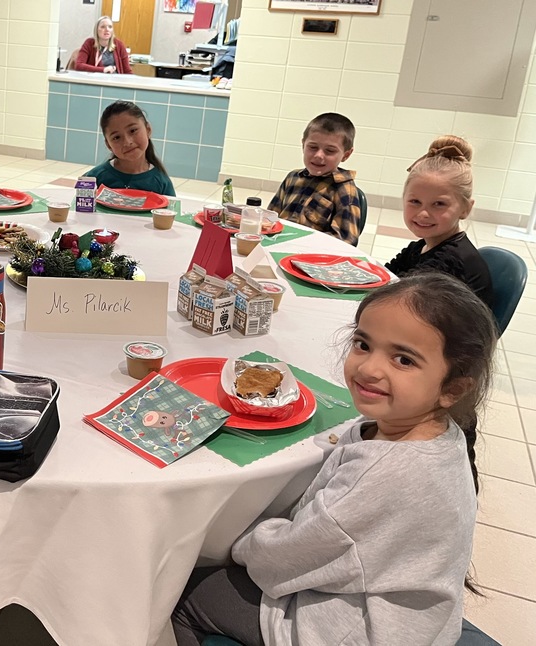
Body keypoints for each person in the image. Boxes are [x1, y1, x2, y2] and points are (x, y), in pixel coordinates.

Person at [171, 273, 497, 646]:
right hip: (414, 619)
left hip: (359, 632)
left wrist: (232, 542)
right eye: (363, 344)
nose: (370, 368)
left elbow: (279, 562)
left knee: (186, 590)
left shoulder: (385, 475)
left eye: (403, 359)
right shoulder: (438, 432)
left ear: (452, 388)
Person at [385, 135, 494, 311]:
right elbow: (384, 276)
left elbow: (400, 304)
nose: (423, 213)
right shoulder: (421, 247)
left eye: (439, 204)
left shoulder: (450, 262)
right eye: (415, 201)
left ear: (465, 209)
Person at [268, 112, 361, 245]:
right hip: (275, 246)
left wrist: (301, 242)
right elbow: (270, 217)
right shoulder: (293, 177)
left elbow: (346, 241)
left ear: (346, 155)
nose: (318, 155)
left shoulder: (345, 190)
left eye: (330, 151)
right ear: (303, 145)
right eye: (312, 147)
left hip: (310, 255)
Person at [87, 100, 176, 196]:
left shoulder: (161, 182)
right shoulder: (94, 179)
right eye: (117, 137)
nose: (127, 142)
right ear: (109, 145)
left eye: (133, 130)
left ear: (148, 130)